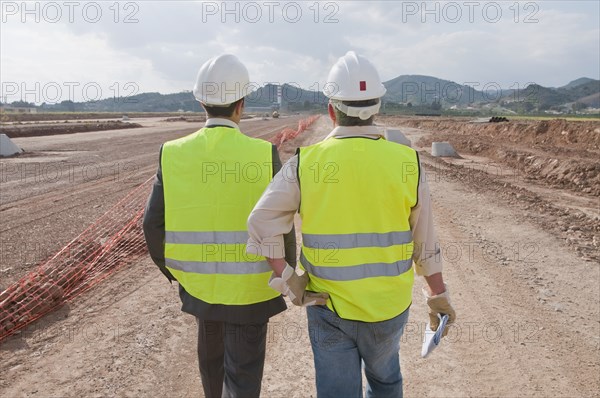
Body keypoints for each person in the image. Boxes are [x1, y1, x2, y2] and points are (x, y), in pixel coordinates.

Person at [246, 51, 456, 398]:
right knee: (386, 381)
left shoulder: (306, 163)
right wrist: (438, 295)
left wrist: (287, 280)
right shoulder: (406, 161)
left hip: (328, 306)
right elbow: (425, 240)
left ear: (331, 110)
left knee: (336, 391)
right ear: (376, 109)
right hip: (388, 306)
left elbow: (261, 219)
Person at [143, 54, 297, 398]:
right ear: (241, 105)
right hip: (252, 291)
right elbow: (283, 225)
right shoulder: (263, 153)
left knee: (212, 376)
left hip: (200, 289)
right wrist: (288, 273)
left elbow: (152, 225)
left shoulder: (173, 152)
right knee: (242, 381)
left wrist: (175, 273)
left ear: (201, 102)